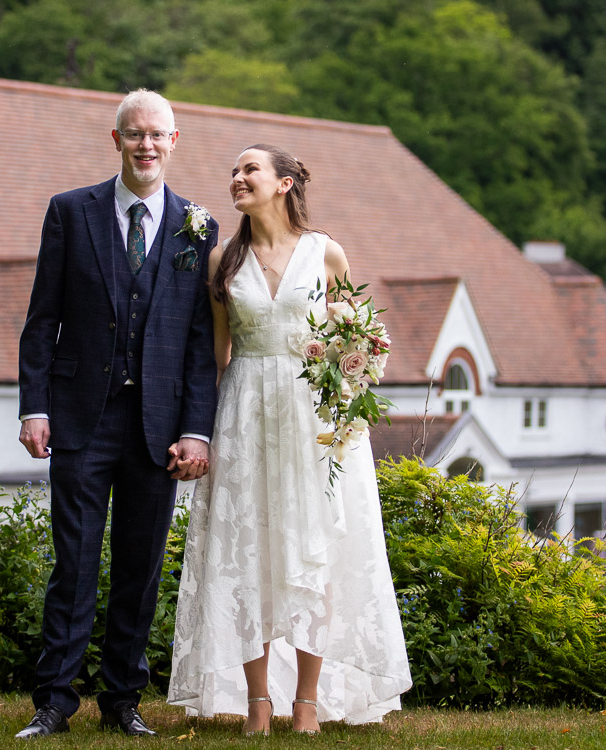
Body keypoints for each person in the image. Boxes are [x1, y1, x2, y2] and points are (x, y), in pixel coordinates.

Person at [168, 145, 412, 735]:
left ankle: (306, 702)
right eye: (233, 171)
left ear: (283, 183)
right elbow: (219, 355)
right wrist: (194, 427)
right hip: (246, 410)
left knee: (315, 551)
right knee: (246, 549)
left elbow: (355, 336)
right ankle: (257, 702)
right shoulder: (223, 259)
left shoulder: (326, 252)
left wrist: (354, 383)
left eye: (248, 170)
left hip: (315, 421)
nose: (236, 179)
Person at [15, 89, 220, 739]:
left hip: (158, 426)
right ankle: (54, 701)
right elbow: (41, 319)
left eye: (158, 135)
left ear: (175, 141)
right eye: (135, 135)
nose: (147, 145)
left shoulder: (199, 226)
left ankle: (123, 701)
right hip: (80, 415)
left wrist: (195, 428)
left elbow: (197, 340)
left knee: (140, 563)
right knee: (73, 562)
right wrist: (35, 407)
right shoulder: (71, 212)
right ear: (117, 141)